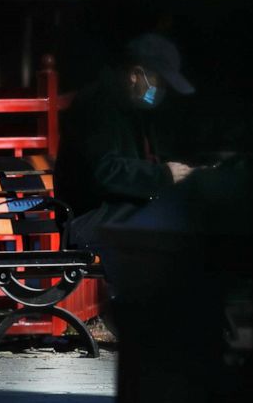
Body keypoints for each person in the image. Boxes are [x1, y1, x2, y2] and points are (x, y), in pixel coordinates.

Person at [55, 32, 197, 256]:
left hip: (114, 213)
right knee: (173, 224)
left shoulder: (131, 109)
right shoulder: (97, 104)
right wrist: (163, 175)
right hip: (87, 219)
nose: (163, 92)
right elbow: (105, 170)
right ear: (136, 74)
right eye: (161, 82)